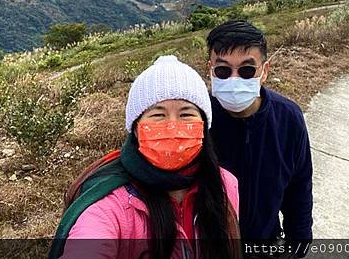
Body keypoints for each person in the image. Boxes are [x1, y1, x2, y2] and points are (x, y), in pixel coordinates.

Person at [55, 55, 241, 259]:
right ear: (135, 129)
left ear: (204, 127)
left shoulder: (225, 184)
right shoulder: (111, 203)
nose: (172, 125)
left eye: (186, 114)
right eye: (158, 115)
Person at [206, 20, 313, 258]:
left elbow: (299, 185)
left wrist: (299, 241)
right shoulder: (200, 118)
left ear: (264, 70)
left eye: (246, 70)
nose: (234, 80)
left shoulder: (288, 118)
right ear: (210, 69)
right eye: (223, 70)